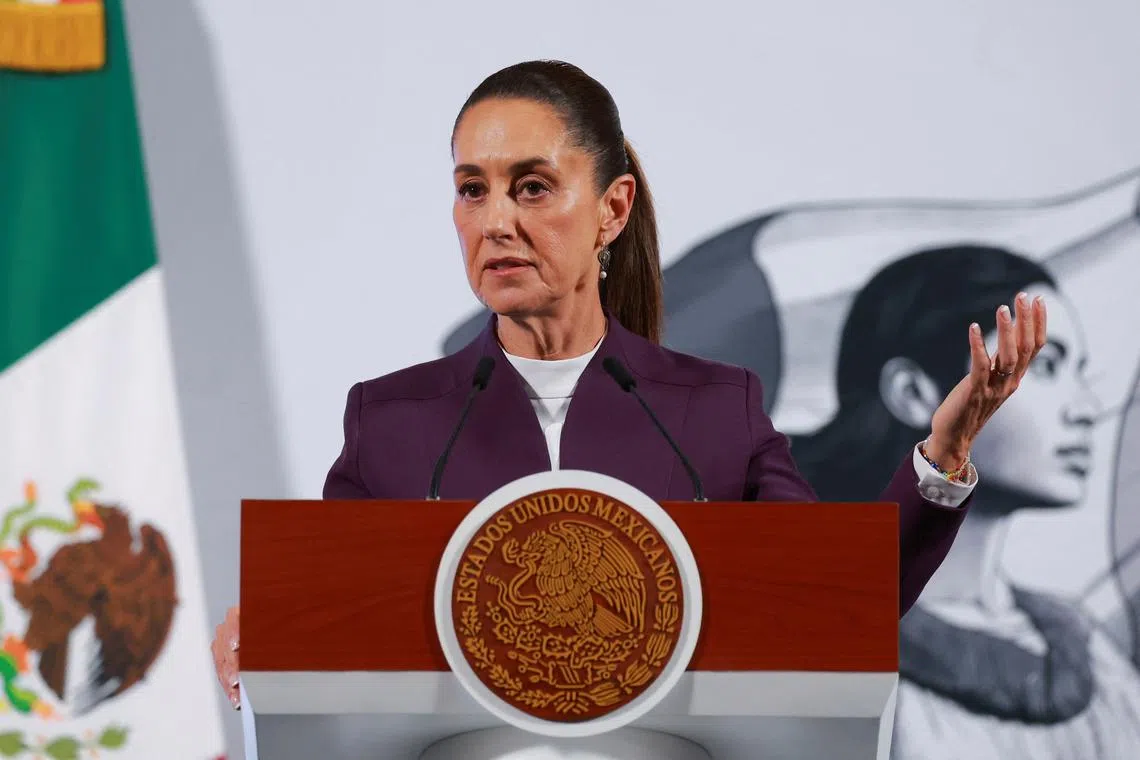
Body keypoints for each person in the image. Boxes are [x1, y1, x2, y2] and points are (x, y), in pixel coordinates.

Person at [210, 60, 1046, 710]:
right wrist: (272, 633)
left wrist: (946, 450)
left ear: (611, 211)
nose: (495, 219)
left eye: (531, 187)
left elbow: (840, 604)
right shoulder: (392, 422)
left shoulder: (715, 413)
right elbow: (330, 621)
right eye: (473, 189)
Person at [788, 247, 1140, 759]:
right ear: (913, 393)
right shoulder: (821, 647)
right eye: (1042, 368)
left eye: (1079, 371)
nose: (1086, 408)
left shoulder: (1090, 653)